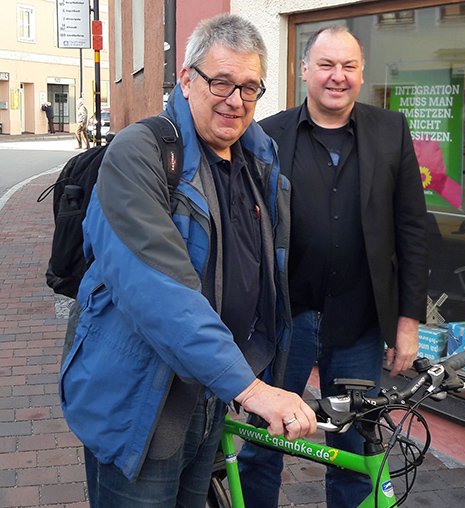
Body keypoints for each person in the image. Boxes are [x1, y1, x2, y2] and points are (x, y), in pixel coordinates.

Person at [59, 13, 317, 508]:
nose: (235, 101)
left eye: (249, 87)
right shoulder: (141, 153)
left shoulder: (257, 161)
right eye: (221, 82)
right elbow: (158, 290)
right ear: (185, 78)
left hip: (210, 393)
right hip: (139, 400)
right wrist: (253, 388)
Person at [238, 26, 428, 508]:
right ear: (304, 70)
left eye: (348, 66)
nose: (336, 77)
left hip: (358, 323)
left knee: (354, 448)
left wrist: (408, 322)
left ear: (362, 74)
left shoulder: (391, 130)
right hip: (287, 321)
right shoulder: (267, 135)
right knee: (266, 441)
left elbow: (412, 231)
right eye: (326, 65)